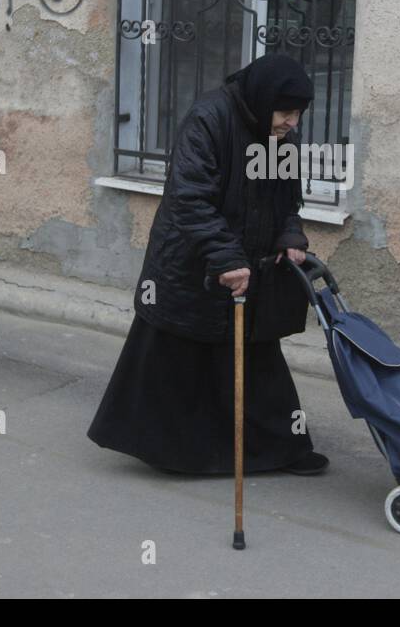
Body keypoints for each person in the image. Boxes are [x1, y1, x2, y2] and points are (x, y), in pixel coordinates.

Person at [86, 52, 329, 476]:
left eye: (298, 114)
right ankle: (175, 452)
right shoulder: (210, 120)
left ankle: (280, 449)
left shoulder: (277, 138)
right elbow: (190, 197)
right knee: (178, 353)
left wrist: (290, 236)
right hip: (190, 262)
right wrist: (225, 256)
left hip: (249, 264)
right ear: (264, 98)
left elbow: (284, 198)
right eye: (286, 112)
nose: (293, 123)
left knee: (257, 357)